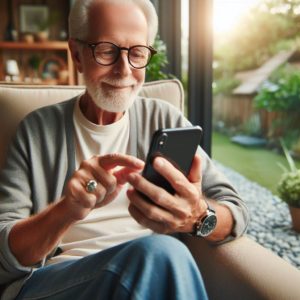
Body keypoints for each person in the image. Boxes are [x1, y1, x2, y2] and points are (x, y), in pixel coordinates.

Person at [0, 0, 249, 299]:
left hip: (150, 280)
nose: (124, 69)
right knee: (160, 253)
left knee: (157, 257)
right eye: (107, 50)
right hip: (59, 283)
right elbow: (4, 255)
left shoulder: (164, 118)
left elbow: (235, 210)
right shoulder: (37, 130)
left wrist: (196, 217)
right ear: (77, 54)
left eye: (137, 53)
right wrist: (67, 209)